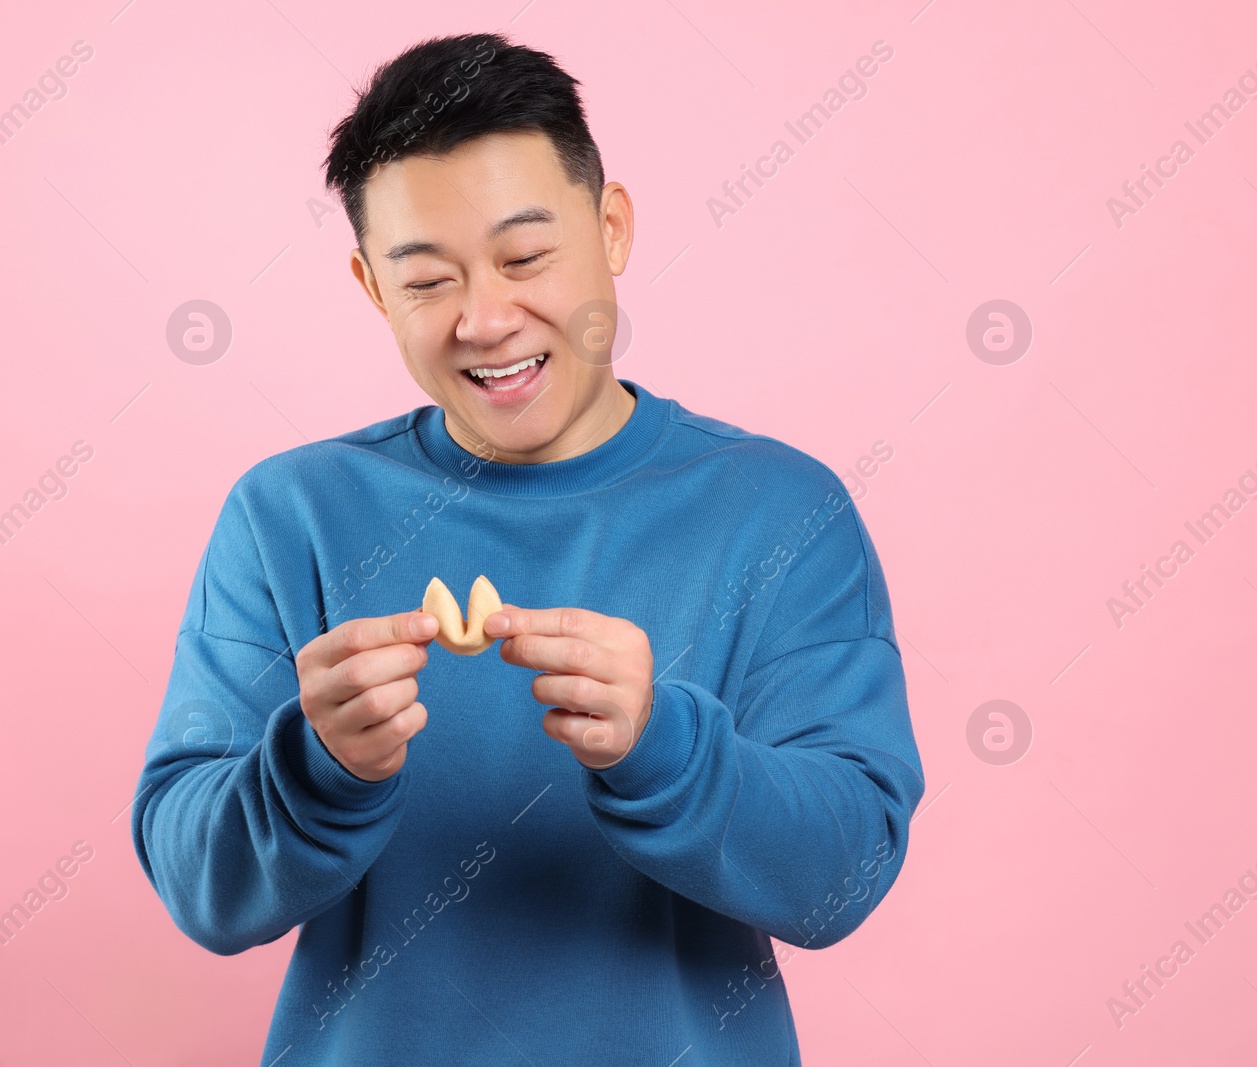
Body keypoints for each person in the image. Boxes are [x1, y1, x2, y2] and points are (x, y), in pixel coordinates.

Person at [130, 30, 924, 1067]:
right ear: (373, 288)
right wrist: (318, 767)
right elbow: (201, 889)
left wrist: (662, 744)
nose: (486, 318)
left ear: (612, 227)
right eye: (426, 281)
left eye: (525, 257)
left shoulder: (781, 511)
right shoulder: (289, 515)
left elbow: (840, 877)